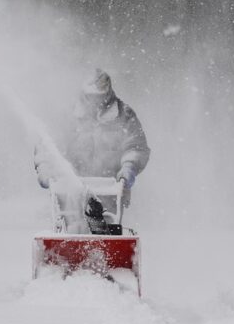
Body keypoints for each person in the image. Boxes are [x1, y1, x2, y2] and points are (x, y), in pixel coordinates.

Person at [34, 69, 150, 216]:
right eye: (92, 97)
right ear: (84, 94)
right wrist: (46, 168)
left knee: (107, 230)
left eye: (100, 97)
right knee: (71, 228)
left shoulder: (123, 115)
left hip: (111, 189)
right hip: (70, 189)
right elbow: (48, 145)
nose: (96, 102)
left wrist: (129, 168)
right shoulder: (68, 115)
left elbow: (135, 146)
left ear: (108, 93)